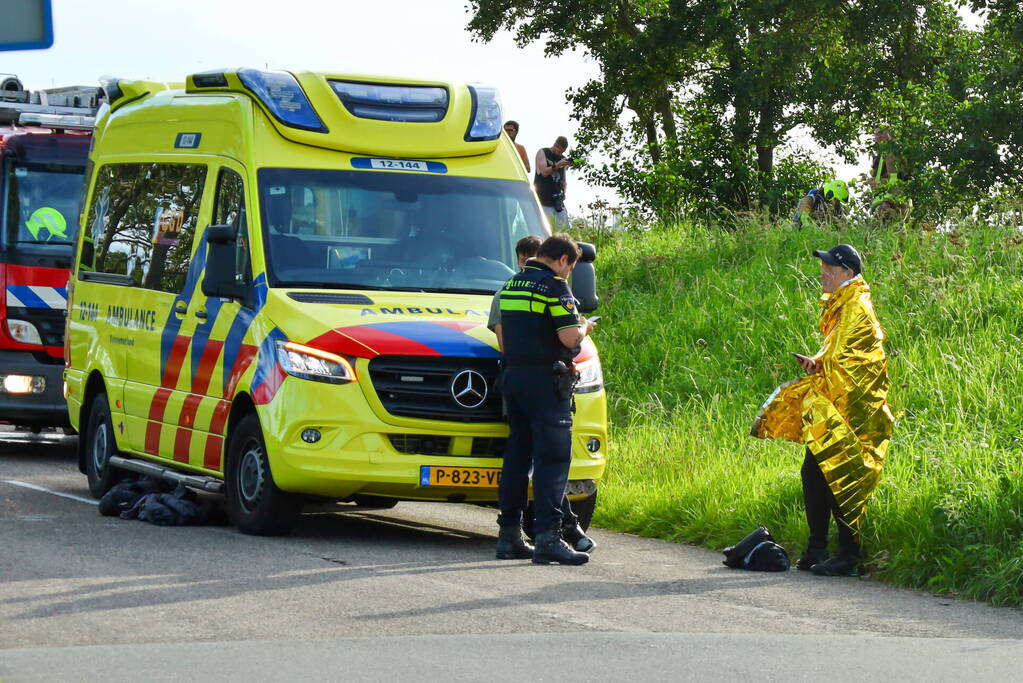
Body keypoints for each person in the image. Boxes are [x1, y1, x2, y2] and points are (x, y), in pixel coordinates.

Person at [751, 244, 895, 577]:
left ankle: (848, 554)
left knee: (841, 473)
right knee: (815, 471)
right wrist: (818, 363)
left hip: (853, 406)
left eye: (830, 268)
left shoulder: (856, 305)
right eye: (824, 267)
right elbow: (838, 352)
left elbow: (849, 359)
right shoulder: (843, 302)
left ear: (848, 273)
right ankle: (817, 548)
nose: (824, 273)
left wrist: (822, 364)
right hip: (836, 399)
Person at [488, 234, 596, 555]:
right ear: (563, 260)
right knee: (552, 459)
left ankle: (509, 537)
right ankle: (548, 538)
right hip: (545, 383)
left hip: (513, 380)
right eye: (570, 267)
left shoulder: (511, 286)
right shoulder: (555, 287)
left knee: (517, 458)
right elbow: (568, 338)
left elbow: (505, 340)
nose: (568, 273)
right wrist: (585, 327)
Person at [867, 126, 911, 219]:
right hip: (883, 199)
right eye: (876, 134)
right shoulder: (877, 158)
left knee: (897, 220)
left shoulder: (899, 151)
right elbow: (875, 180)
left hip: (898, 196)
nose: (879, 136)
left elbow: (902, 173)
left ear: (890, 134)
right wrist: (873, 183)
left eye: (881, 133)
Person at [534, 136, 571, 228]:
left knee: (564, 229)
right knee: (545, 229)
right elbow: (544, 172)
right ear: (555, 145)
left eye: (562, 152)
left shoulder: (562, 158)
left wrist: (563, 194)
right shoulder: (543, 152)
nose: (560, 153)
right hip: (543, 201)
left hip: (557, 202)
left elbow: (563, 180)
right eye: (559, 151)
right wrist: (557, 165)